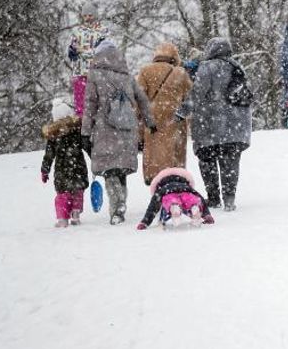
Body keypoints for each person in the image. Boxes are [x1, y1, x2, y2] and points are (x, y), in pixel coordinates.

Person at [81, 40, 156, 225]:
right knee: (120, 169)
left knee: (109, 170)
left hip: (105, 129)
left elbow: (90, 105)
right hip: (127, 130)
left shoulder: (95, 75)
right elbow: (143, 100)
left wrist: (85, 132)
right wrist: (150, 122)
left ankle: (117, 208)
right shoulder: (128, 76)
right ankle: (121, 203)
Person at [178, 37, 252, 211]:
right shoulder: (237, 67)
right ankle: (229, 198)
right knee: (231, 163)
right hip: (236, 128)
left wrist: (183, 111)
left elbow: (197, 93)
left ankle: (213, 197)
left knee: (207, 160)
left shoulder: (207, 67)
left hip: (209, 125)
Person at [137, 42, 194, 184]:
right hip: (175, 123)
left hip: (152, 124)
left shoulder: (145, 71)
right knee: (174, 159)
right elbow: (191, 99)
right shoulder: (180, 73)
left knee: (155, 161)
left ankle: (158, 189)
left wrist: (139, 122)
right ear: (175, 56)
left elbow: (138, 100)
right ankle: (175, 185)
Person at [41, 97, 89, 228]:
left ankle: (62, 218)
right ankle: (76, 214)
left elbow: (49, 155)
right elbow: (86, 145)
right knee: (77, 192)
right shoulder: (77, 130)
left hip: (62, 169)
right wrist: (95, 158)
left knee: (63, 194)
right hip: (78, 166)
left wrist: (45, 170)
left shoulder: (54, 135)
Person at [135, 166, 214, 230]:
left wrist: (145, 222)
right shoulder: (185, 184)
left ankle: (174, 206)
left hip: (167, 190)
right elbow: (200, 197)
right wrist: (207, 215)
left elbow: (152, 207)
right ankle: (194, 207)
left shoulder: (161, 188)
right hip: (185, 189)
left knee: (169, 198)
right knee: (190, 198)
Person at [67, 1, 106, 117]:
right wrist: (72, 50)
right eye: (85, 16)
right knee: (80, 100)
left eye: (90, 15)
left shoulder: (102, 31)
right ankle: (81, 120)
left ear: (95, 15)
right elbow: (72, 52)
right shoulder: (77, 31)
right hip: (79, 71)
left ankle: (98, 118)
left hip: (96, 71)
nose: (87, 18)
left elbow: (101, 52)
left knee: (96, 99)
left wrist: (82, 51)